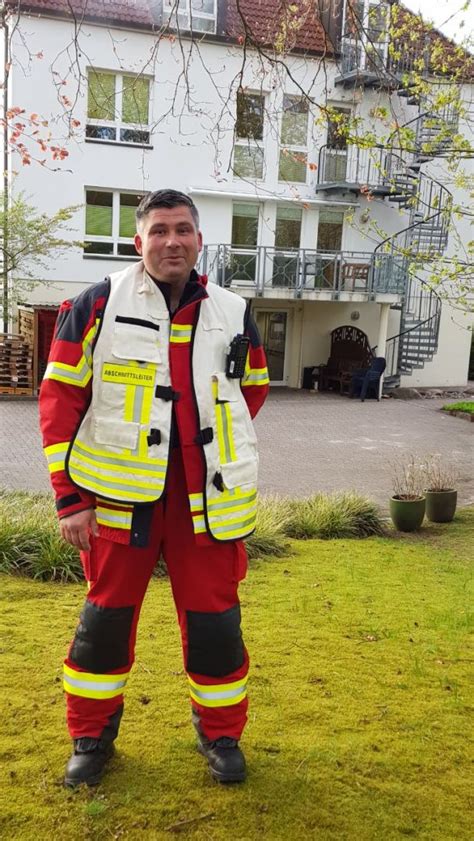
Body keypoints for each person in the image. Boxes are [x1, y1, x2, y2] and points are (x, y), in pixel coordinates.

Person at [39, 189, 269, 787]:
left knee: (217, 628)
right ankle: (91, 736)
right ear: (138, 240)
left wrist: (203, 443)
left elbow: (251, 393)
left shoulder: (234, 310)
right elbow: (59, 401)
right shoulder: (96, 304)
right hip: (117, 503)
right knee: (105, 624)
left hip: (206, 505)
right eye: (160, 230)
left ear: (199, 240)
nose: (173, 241)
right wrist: (70, 498)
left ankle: (220, 736)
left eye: (184, 230)